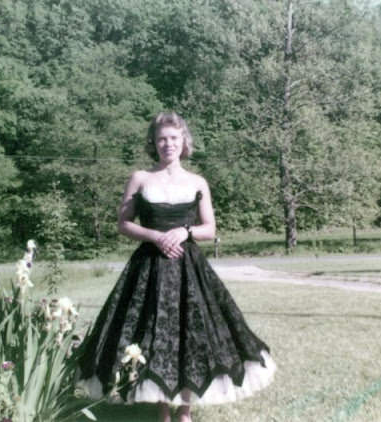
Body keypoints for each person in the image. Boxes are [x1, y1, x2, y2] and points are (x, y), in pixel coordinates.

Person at [76, 112, 276, 422]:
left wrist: (185, 232)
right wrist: (155, 236)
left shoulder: (197, 182)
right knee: (153, 333)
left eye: (173, 138)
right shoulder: (140, 178)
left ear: (184, 142)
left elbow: (209, 228)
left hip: (188, 268)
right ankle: (162, 408)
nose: (168, 144)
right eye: (161, 139)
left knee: (190, 333)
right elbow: (124, 224)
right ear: (153, 143)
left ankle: (185, 409)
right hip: (150, 268)